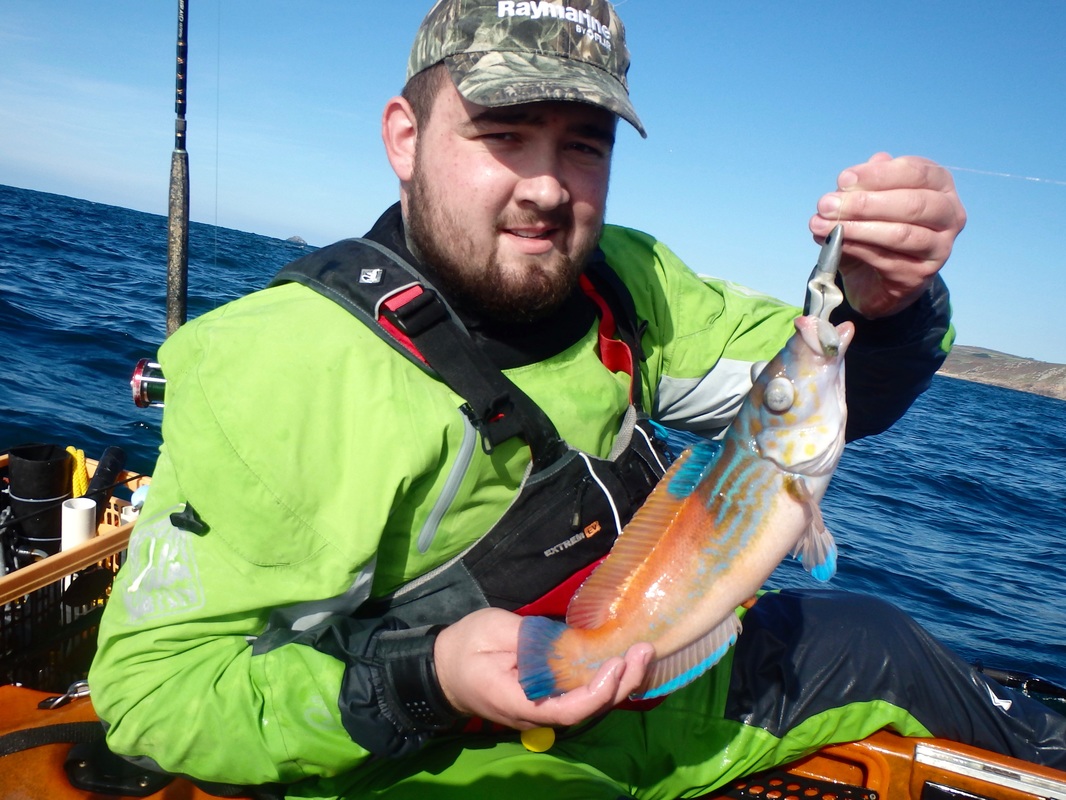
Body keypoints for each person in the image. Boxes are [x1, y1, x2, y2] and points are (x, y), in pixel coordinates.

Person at [89, 1, 1066, 797]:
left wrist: (885, 304)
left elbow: (806, 389)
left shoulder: (625, 277)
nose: (549, 187)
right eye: (503, 134)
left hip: (670, 676)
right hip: (434, 763)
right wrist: (423, 679)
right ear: (405, 135)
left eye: (585, 144)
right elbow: (154, 695)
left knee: (880, 632)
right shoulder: (267, 365)